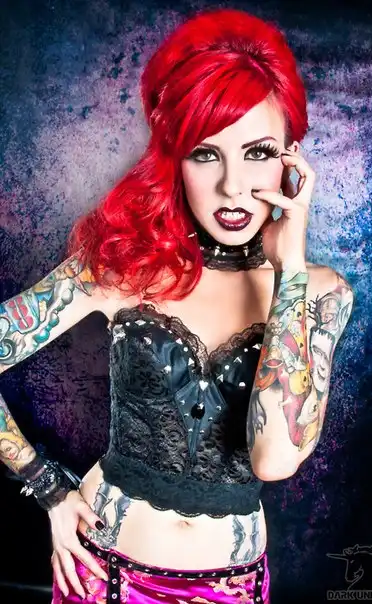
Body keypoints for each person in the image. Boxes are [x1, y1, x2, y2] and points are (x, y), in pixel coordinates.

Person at [0, 7, 354, 603]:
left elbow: (274, 459)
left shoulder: (320, 294)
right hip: (103, 577)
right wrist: (47, 487)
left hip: (232, 588)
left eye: (259, 152)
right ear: (175, 158)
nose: (233, 187)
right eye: (206, 154)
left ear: (292, 159)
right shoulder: (124, 267)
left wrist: (290, 269)